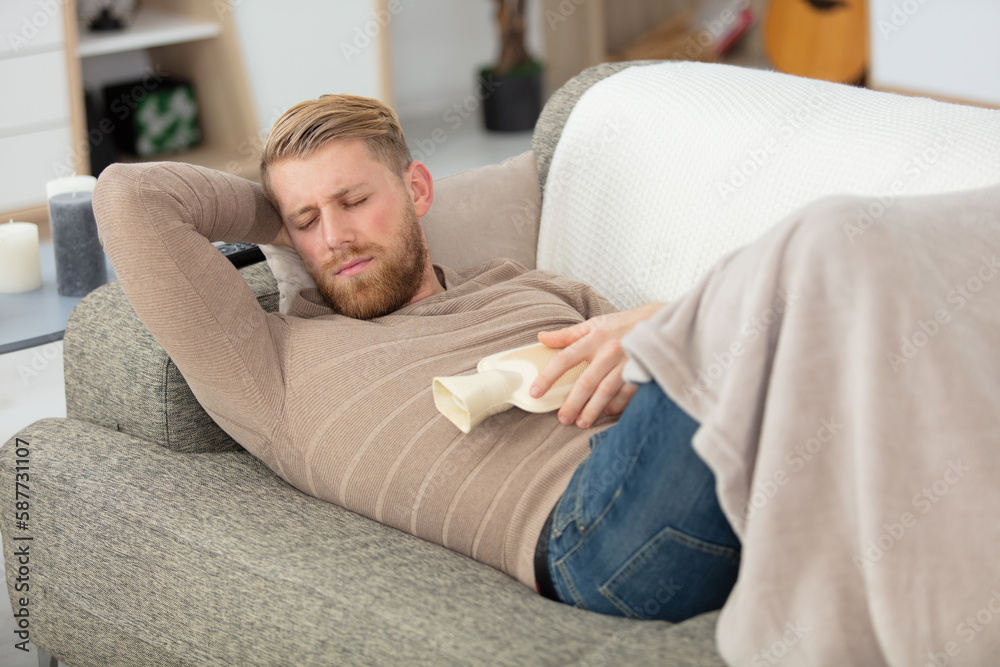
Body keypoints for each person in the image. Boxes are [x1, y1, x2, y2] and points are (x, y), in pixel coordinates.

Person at [93, 93, 739, 623]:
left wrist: (657, 325)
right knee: (812, 247)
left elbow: (705, 359)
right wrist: (275, 208)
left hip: (684, 444)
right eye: (306, 220)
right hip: (590, 532)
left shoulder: (535, 287)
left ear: (418, 190)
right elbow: (130, 196)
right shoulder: (273, 369)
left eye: (353, 200)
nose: (336, 237)